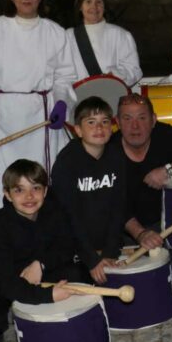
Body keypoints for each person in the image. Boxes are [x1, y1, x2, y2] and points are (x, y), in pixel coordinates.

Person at [0, 0, 77, 231]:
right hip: (2, 120)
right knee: (2, 185)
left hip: (40, 119)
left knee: (38, 183)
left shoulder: (55, 32)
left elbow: (65, 76)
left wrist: (61, 102)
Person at [0, 160, 79, 342]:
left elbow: (67, 246)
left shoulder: (54, 212)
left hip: (32, 270)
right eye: (19, 190)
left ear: (45, 191)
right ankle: (7, 308)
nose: (29, 196)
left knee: (79, 275)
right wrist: (49, 296)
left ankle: (27, 296)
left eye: (36, 188)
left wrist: (41, 263)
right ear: (7, 195)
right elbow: (8, 284)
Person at [112, 94, 172, 252]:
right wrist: (141, 234)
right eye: (127, 118)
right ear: (118, 122)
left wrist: (169, 170)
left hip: (165, 224)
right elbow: (114, 205)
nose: (135, 126)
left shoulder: (164, 135)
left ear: (153, 120)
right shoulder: (109, 151)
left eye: (142, 118)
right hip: (122, 229)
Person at [50, 97, 127, 284]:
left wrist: (109, 252)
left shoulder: (117, 157)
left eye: (105, 122)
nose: (99, 128)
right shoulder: (66, 163)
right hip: (74, 245)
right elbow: (68, 216)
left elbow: (119, 208)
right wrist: (92, 259)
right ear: (78, 130)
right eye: (91, 123)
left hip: (105, 244)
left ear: (112, 127)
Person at [64, 0, 142, 87]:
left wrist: (114, 77)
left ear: (104, 6)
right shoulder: (68, 37)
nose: (94, 7)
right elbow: (61, 72)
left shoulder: (121, 35)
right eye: (88, 1)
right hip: (79, 99)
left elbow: (134, 70)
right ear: (80, 6)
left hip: (111, 97)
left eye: (99, 2)